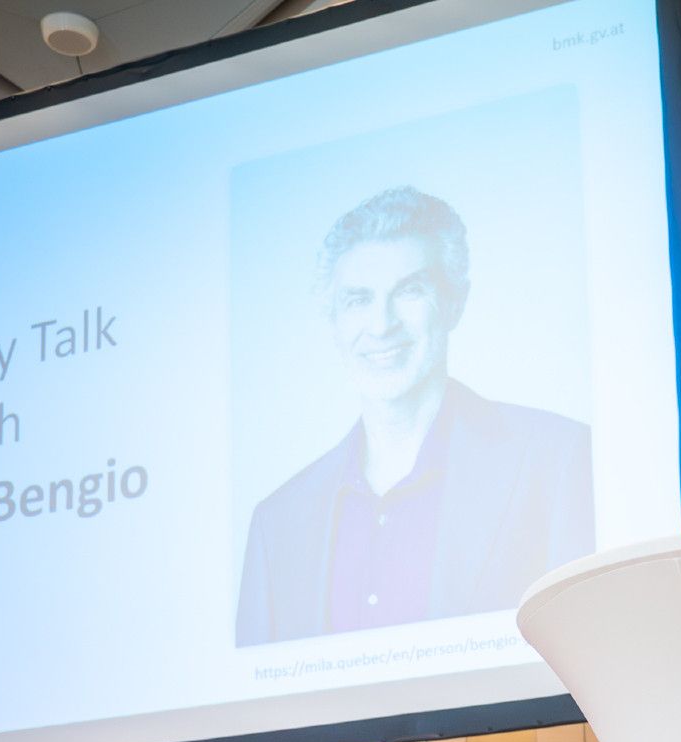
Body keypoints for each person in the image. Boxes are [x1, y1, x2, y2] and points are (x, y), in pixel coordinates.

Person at [236, 187, 593, 647]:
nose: (382, 324)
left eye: (409, 291)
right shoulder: (277, 523)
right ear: (333, 319)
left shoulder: (556, 459)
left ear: (455, 302)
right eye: (357, 300)